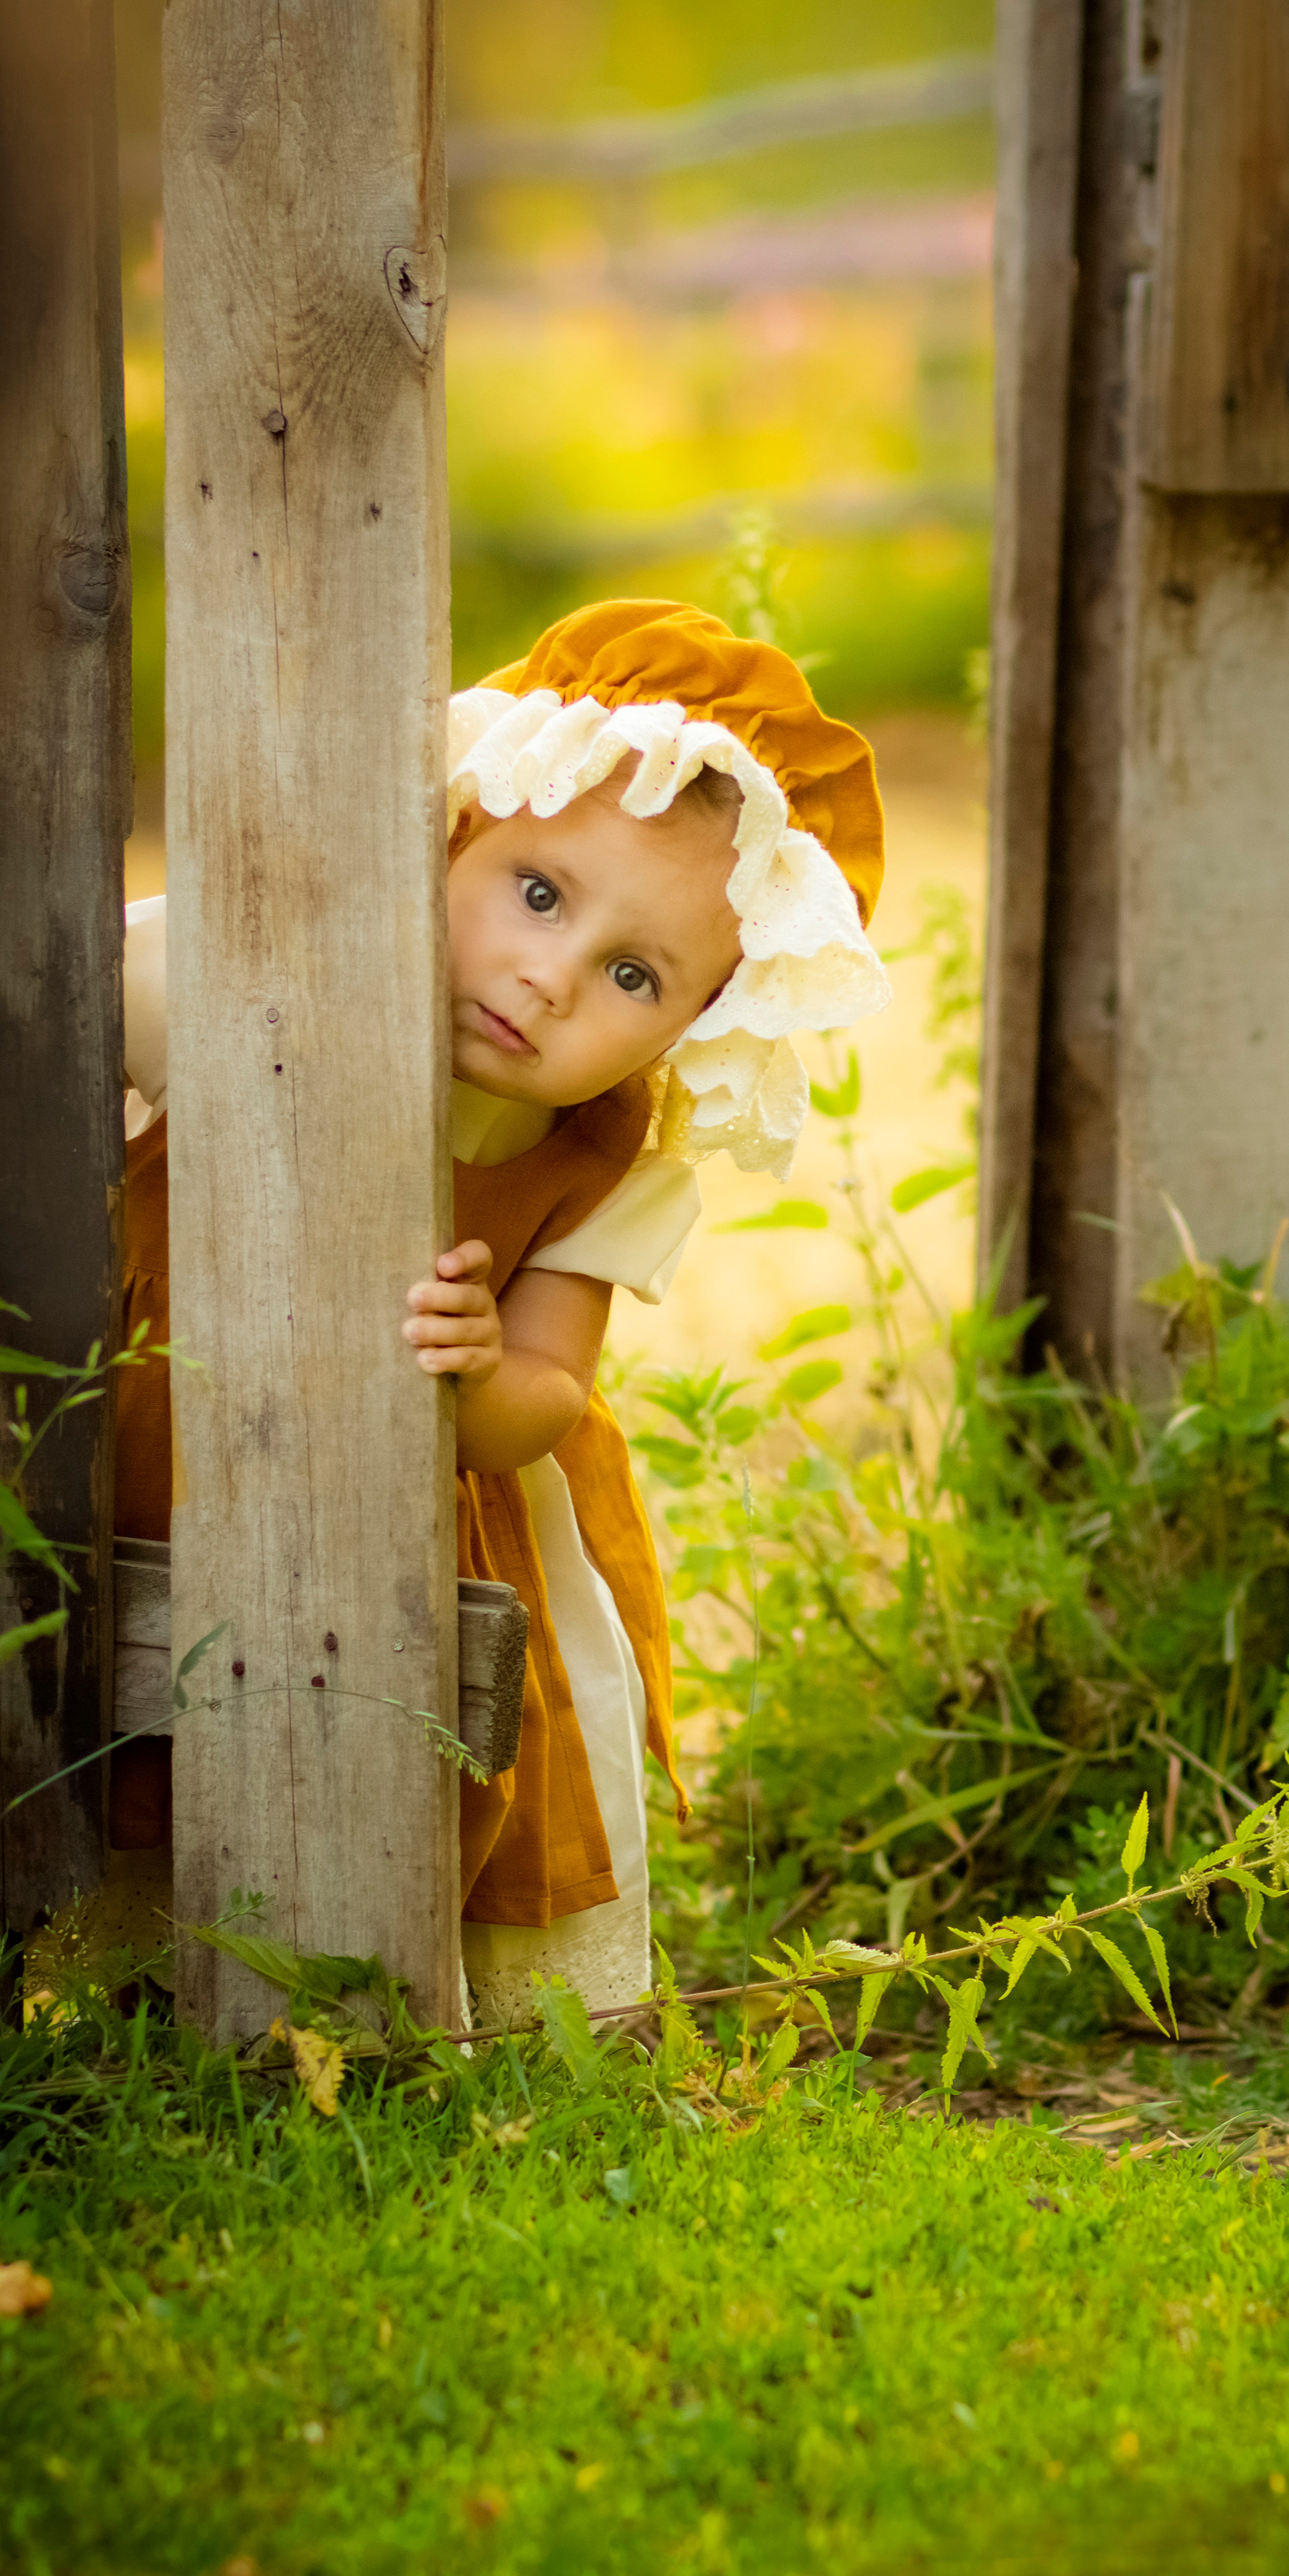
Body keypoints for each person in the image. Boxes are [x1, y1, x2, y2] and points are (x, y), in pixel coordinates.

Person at [112, 597, 890, 2027]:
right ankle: (112, 1977)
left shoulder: (601, 1152)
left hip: (430, 1518)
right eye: (540, 893)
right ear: (468, 823)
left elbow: (554, 1384)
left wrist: (473, 1384)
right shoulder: (277, 978)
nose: (552, 976)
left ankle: (388, 1999)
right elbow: (74, 1013)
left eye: (635, 976)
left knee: (439, 1743)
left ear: (702, 1024)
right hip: (163, 1441)